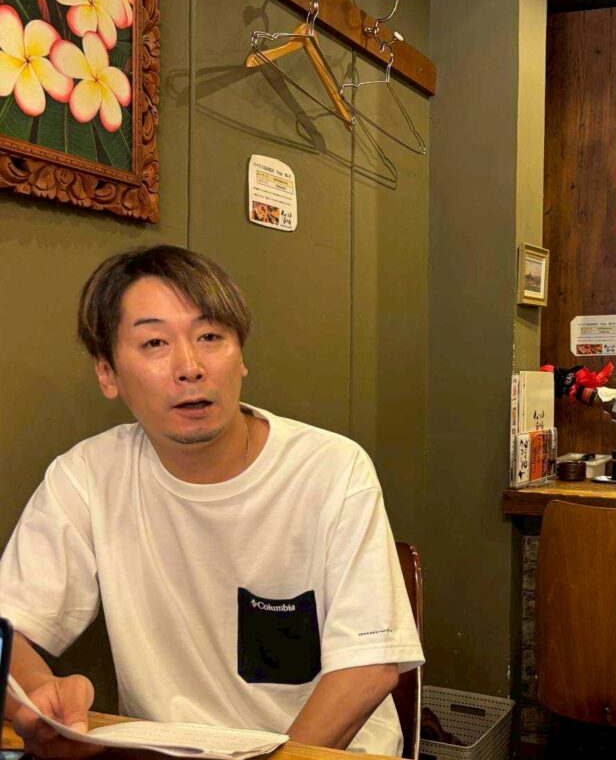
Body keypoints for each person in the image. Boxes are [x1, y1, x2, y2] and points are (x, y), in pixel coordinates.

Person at [0, 246, 423, 758]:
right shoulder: (88, 476)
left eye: (210, 337)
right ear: (107, 372)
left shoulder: (332, 468)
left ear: (240, 357)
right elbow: (7, 627)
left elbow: (369, 667)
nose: (190, 367)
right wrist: (38, 692)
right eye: (154, 342)